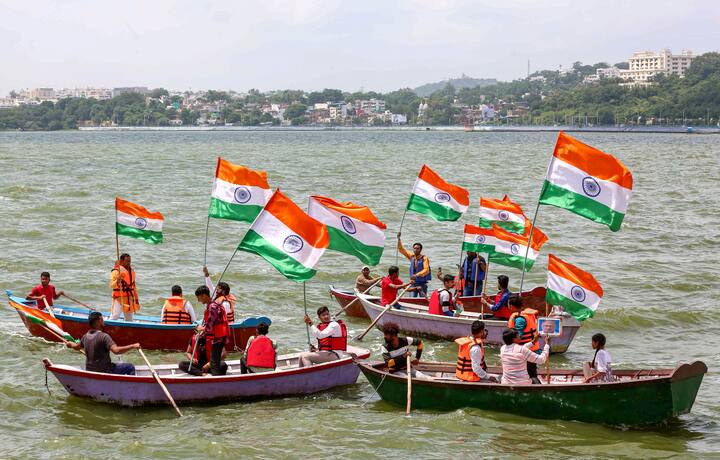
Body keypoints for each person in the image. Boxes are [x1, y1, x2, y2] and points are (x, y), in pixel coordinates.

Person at [66, 311, 140, 375]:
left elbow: (76, 347)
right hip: (106, 371)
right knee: (130, 367)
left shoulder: (85, 336)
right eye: (102, 319)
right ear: (99, 321)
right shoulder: (104, 336)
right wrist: (133, 346)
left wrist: (70, 344)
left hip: (90, 371)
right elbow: (116, 351)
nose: (104, 321)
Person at [194, 285, 229, 376]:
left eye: (199, 298)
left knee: (214, 362)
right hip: (218, 337)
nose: (198, 300)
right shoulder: (212, 305)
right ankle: (216, 378)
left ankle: (216, 381)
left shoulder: (212, 307)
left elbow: (209, 327)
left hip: (218, 338)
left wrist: (200, 328)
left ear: (204, 296)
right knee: (215, 362)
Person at [507, 294, 541, 384]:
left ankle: (537, 389)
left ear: (511, 306)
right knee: (531, 372)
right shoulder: (527, 315)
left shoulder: (520, 319)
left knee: (531, 374)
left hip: (526, 351)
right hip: (532, 349)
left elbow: (518, 336)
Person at [397, 232, 431, 298]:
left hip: (422, 283)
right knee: (412, 299)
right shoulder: (412, 256)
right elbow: (401, 250)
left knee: (423, 301)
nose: (415, 250)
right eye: (414, 248)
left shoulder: (424, 258)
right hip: (413, 283)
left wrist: (416, 275)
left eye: (417, 248)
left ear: (420, 250)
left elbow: (426, 270)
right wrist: (399, 239)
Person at [110, 253, 140, 321]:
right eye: (127, 261)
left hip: (129, 298)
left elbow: (134, 287)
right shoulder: (116, 272)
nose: (129, 263)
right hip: (119, 298)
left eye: (130, 261)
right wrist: (117, 281)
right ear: (121, 261)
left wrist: (136, 299)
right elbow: (111, 285)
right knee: (115, 316)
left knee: (129, 319)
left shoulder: (132, 272)